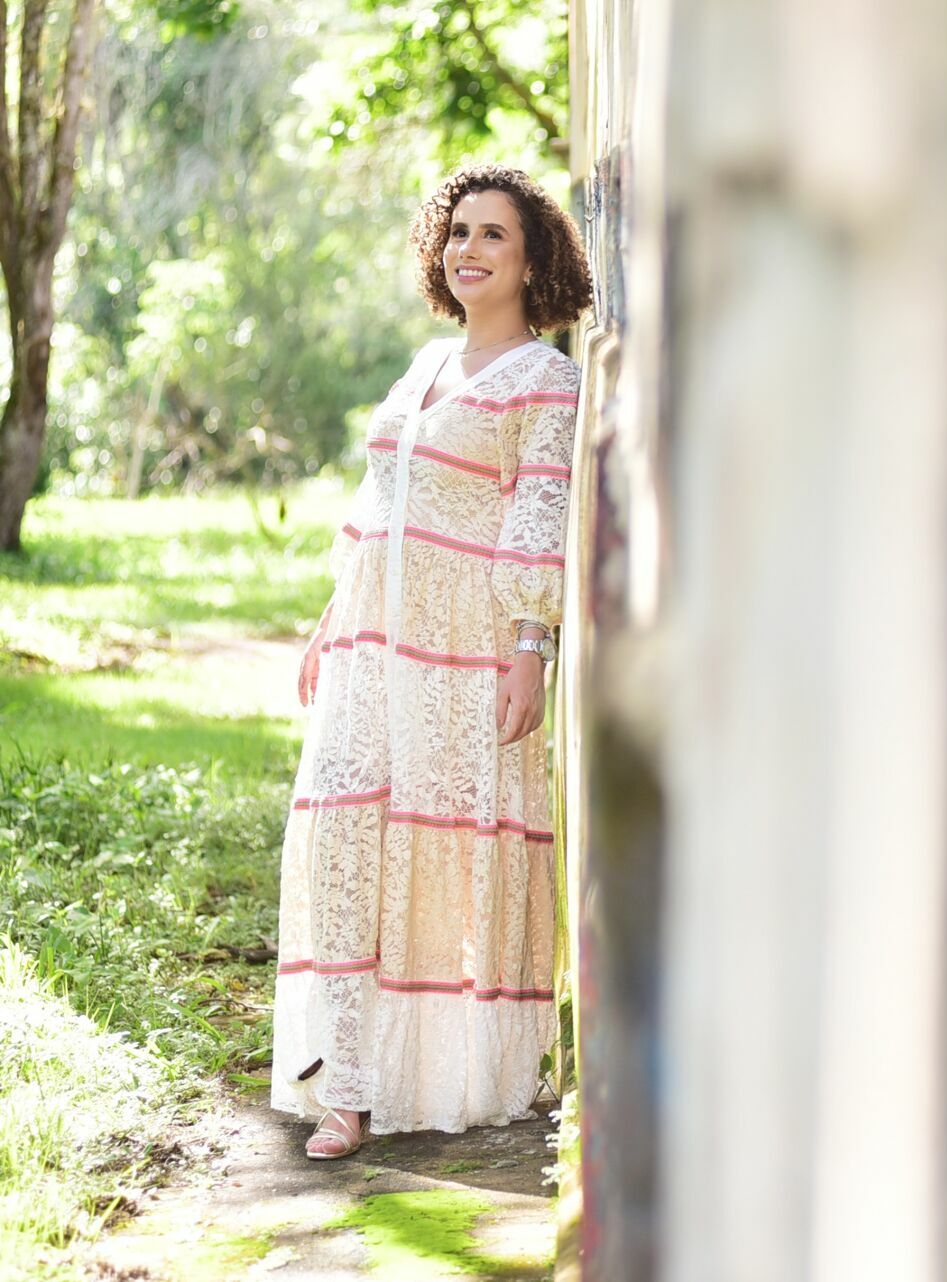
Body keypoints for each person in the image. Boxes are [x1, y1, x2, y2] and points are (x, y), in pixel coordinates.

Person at [271, 163, 594, 1159]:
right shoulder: (421, 366)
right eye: (457, 232)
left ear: (532, 256)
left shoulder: (548, 379)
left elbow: (536, 521)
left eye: (494, 234)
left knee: (448, 858)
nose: (470, 250)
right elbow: (377, 510)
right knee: (344, 844)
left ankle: (449, 1075)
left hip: (466, 660)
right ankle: (350, 1086)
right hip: (371, 652)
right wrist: (333, 617)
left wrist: (531, 648)